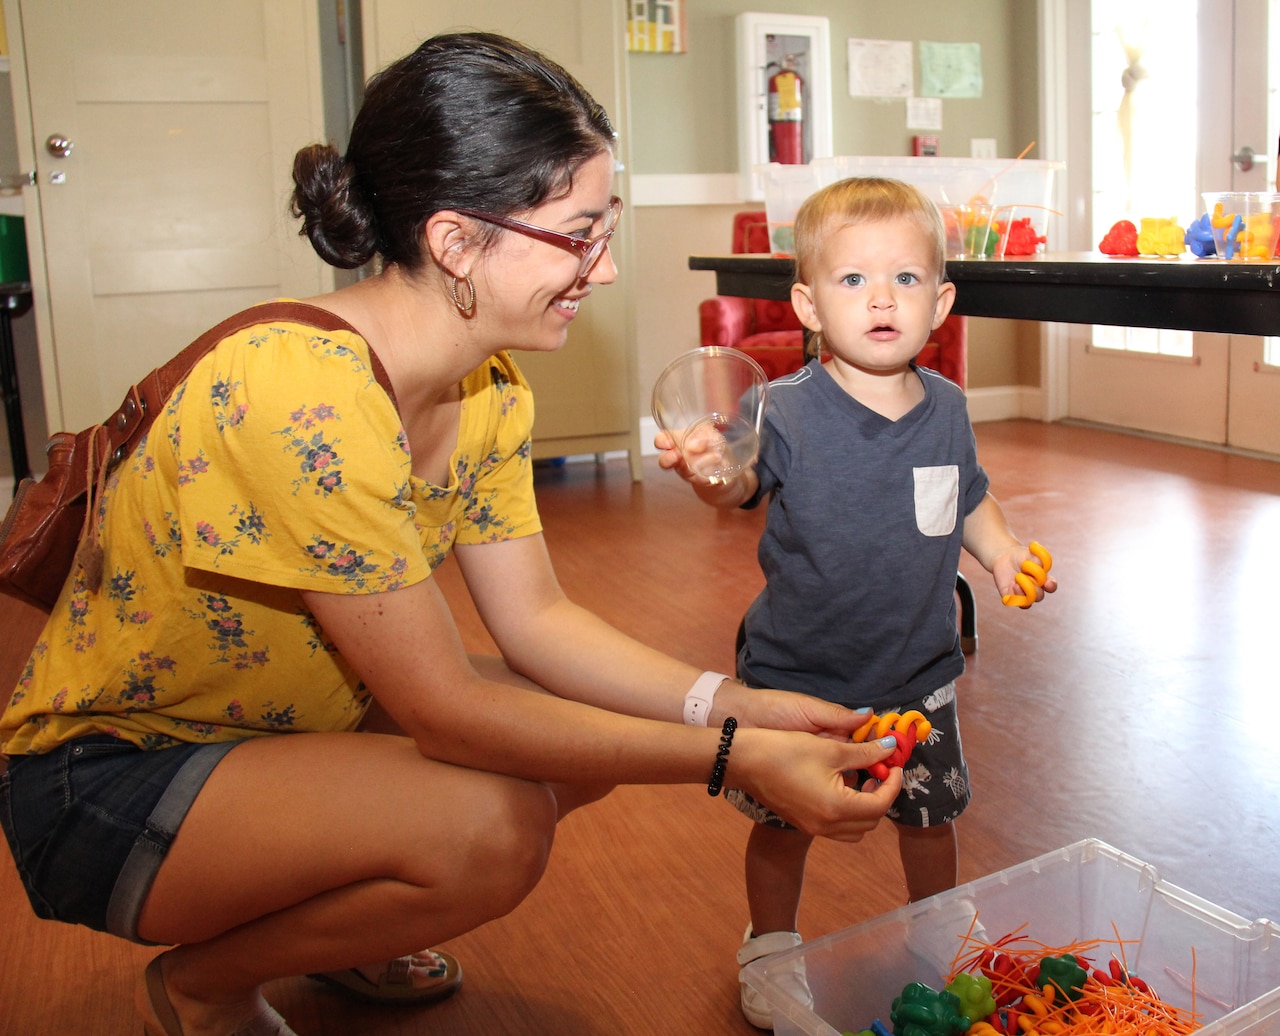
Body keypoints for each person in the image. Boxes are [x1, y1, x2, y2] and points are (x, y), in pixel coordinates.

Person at [0, 32, 908, 1036]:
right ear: (455, 241)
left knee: (575, 738)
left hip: (280, 730)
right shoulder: (299, 391)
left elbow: (538, 622)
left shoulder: (488, 390)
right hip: (109, 781)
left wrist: (732, 702)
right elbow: (443, 710)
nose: (599, 274)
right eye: (578, 234)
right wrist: (734, 755)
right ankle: (204, 984)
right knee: (493, 826)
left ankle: (341, 918)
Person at [657, 177, 1058, 1030]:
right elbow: (738, 487)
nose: (881, 298)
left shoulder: (949, 407)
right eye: (852, 281)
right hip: (800, 682)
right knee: (784, 824)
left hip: (920, 669)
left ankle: (934, 923)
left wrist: (1002, 551)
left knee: (931, 814)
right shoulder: (788, 412)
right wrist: (710, 473)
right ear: (807, 304)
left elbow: (971, 496)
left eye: (906, 279)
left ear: (941, 301)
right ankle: (769, 947)